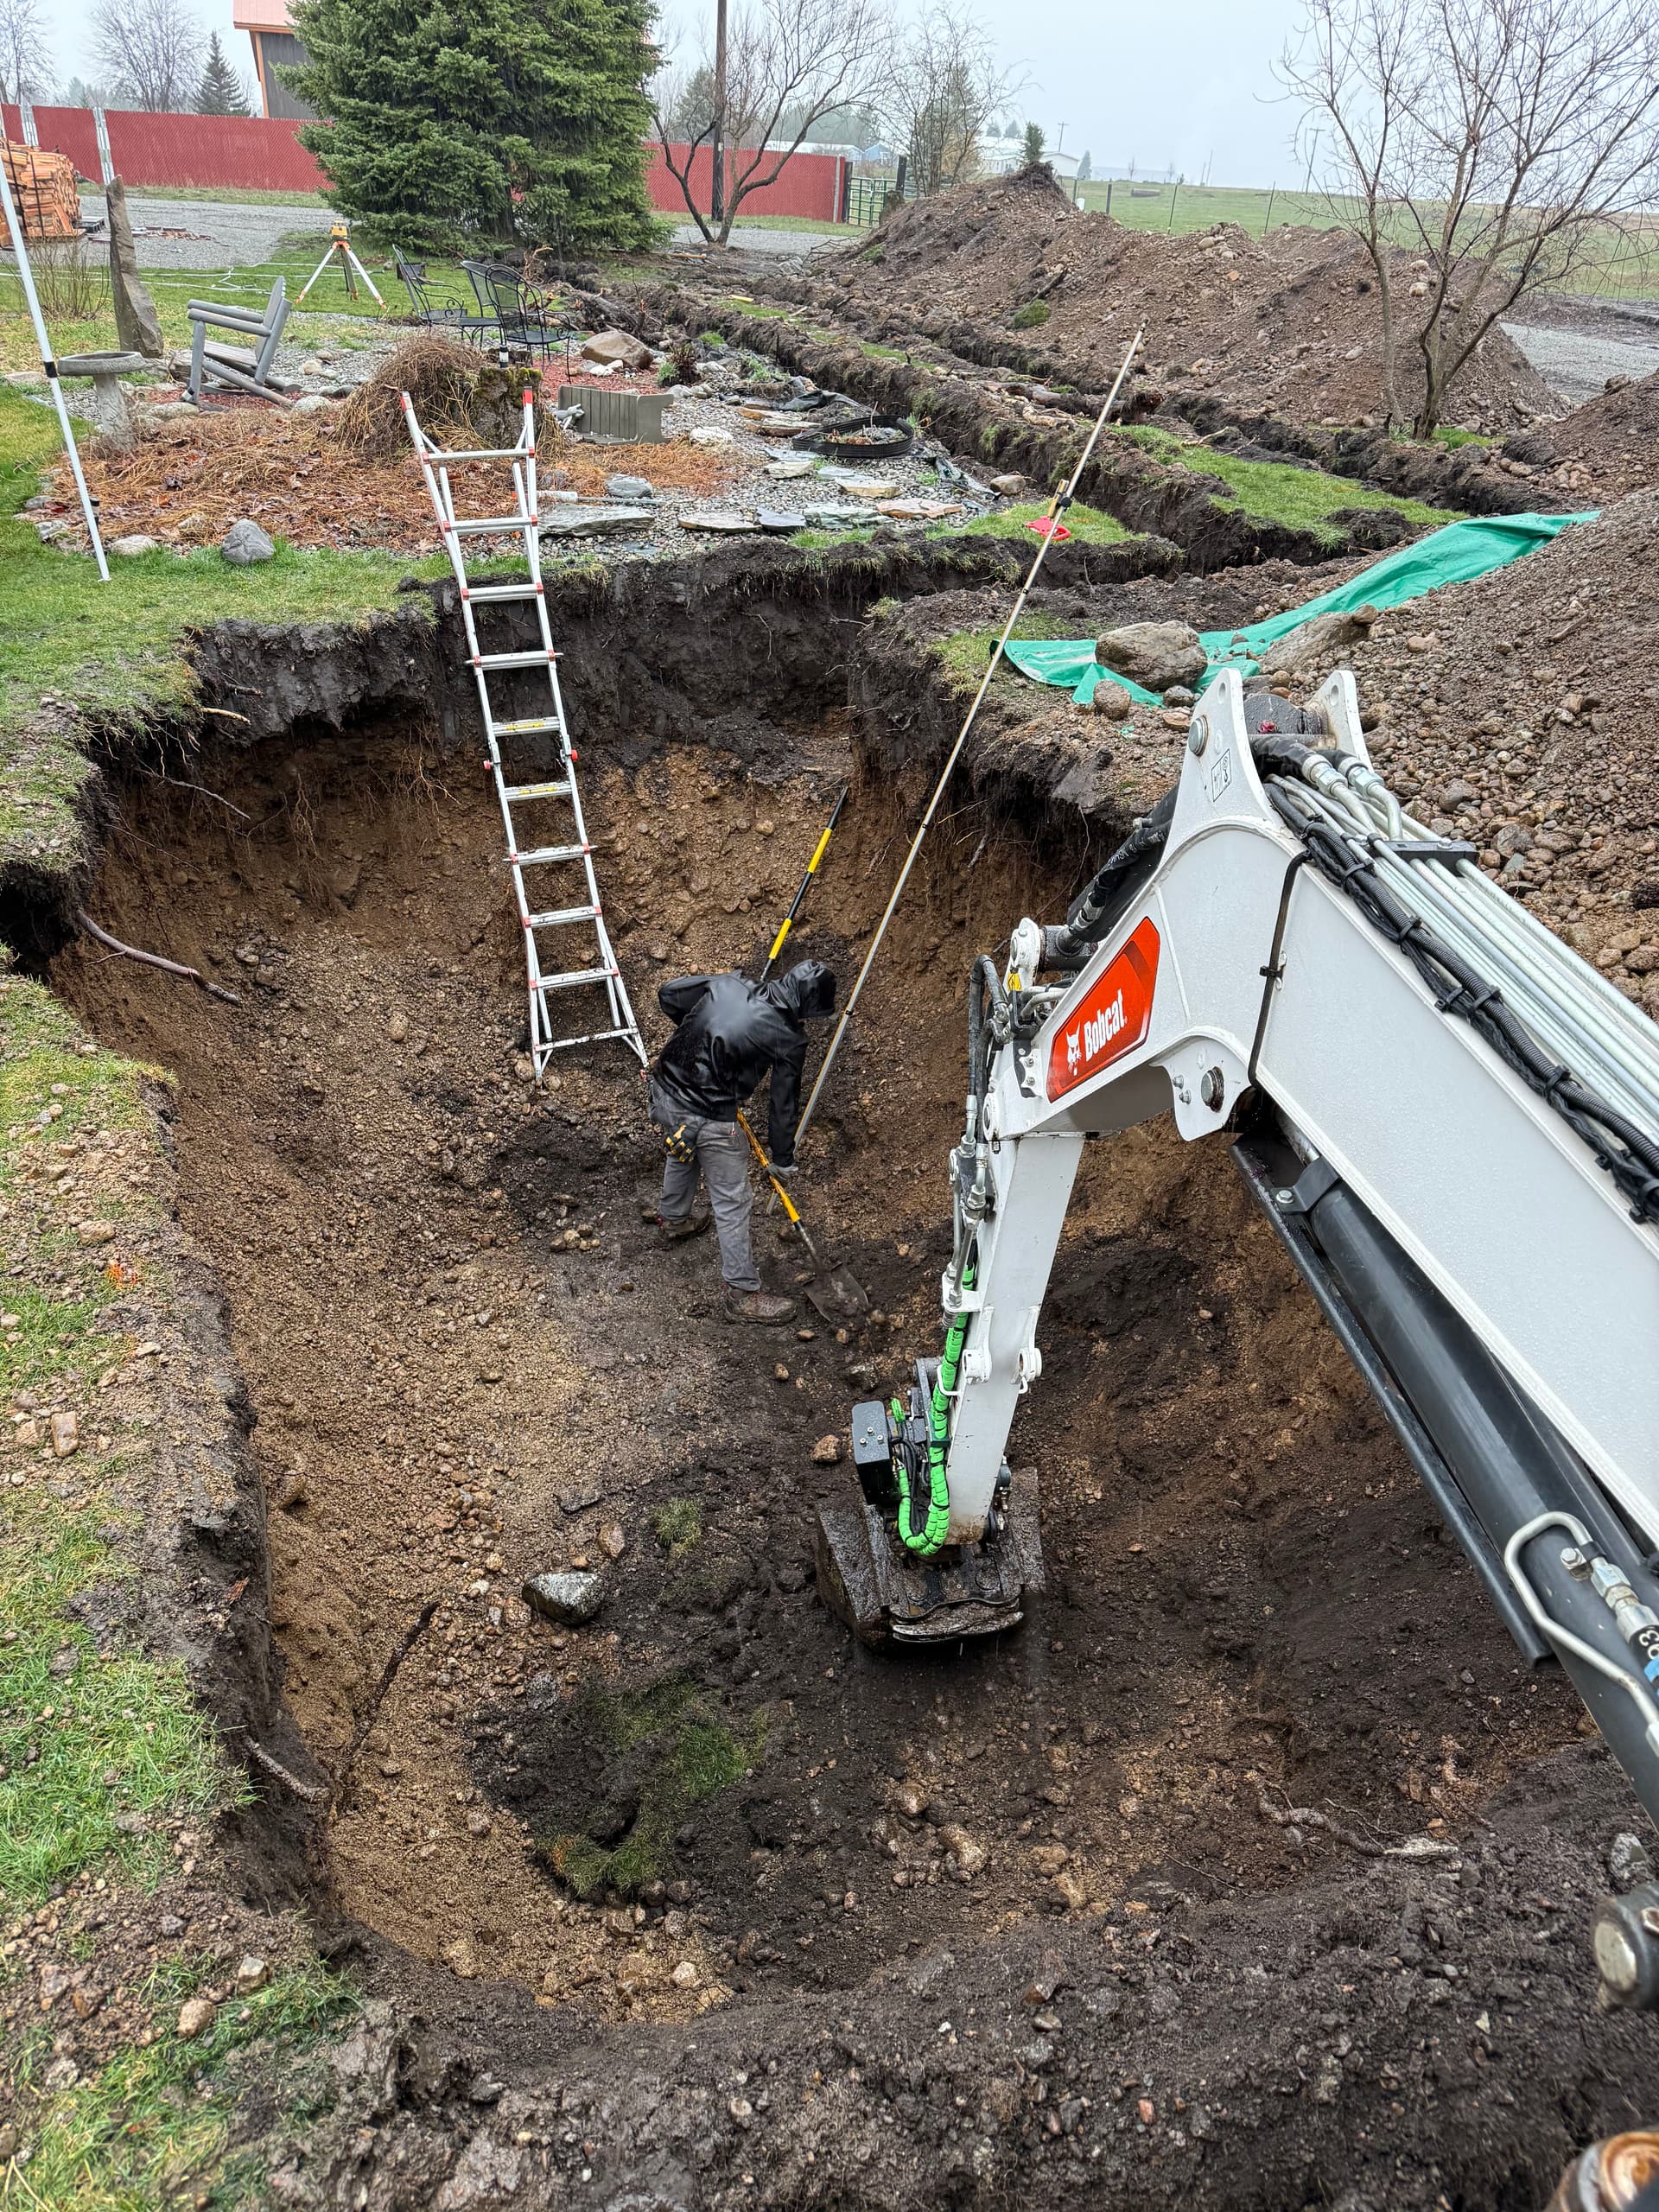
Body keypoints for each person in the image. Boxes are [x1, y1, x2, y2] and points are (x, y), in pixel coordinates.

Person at [645, 959, 836, 1323]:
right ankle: (742, 1294)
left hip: (664, 1090)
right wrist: (782, 1159)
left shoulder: (729, 983)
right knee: (733, 1202)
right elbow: (783, 1104)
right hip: (711, 1116)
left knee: (683, 1144)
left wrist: (700, 1045)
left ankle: (673, 1219)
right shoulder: (789, 1039)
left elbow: (669, 995)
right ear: (809, 1008)